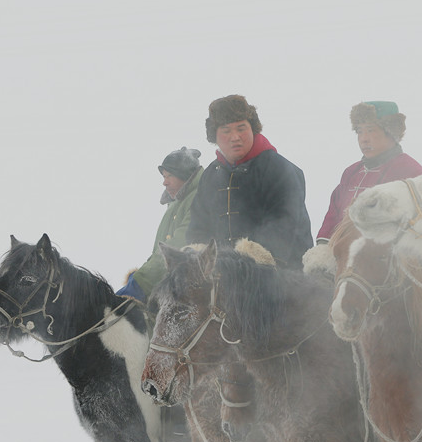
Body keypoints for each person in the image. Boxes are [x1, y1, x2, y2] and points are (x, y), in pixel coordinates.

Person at [187, 94, 313, 269]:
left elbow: (284, 223)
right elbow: (198, 226)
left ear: (253, 129)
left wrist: (249, 263)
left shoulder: (278, 168)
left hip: (282, 277)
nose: (235, 137)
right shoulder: (210, 176)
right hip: (226, 278)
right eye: (226, 130)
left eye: (241, 128)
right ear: (214, 136)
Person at [303, 101, 422, 274]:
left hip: (385, 271)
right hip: (340, 259)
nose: (363, 138)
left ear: (391, 133)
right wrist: (324, 246)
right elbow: (334, 212)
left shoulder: (412, 173)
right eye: (359, 131)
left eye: (370, 130)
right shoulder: (352, 172)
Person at [117, 146, 204, 302]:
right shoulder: (175, 203)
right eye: (163, 176)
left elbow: (175, 248)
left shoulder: (197, 199)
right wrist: (139, 276)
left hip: (187, 293)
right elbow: (159, 250)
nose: (164, 182)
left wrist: (141, 282)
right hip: (167, 286)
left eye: (169, 175)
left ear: (184, 175)